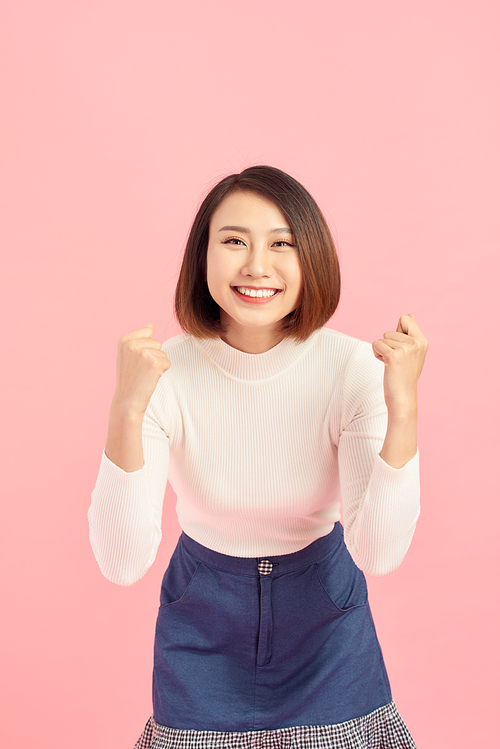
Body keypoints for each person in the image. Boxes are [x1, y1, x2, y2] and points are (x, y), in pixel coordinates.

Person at [89, 165, 428, 749]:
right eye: (234, 241)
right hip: (202, 614)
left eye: (281, 244)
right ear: (203, 256)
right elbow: (122, 563)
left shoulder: (353, 371)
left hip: (324, 618)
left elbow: (378, 552)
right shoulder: (161, 373)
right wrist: (125, 408)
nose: (256, 266)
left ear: (311, 259)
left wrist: (403, 409)